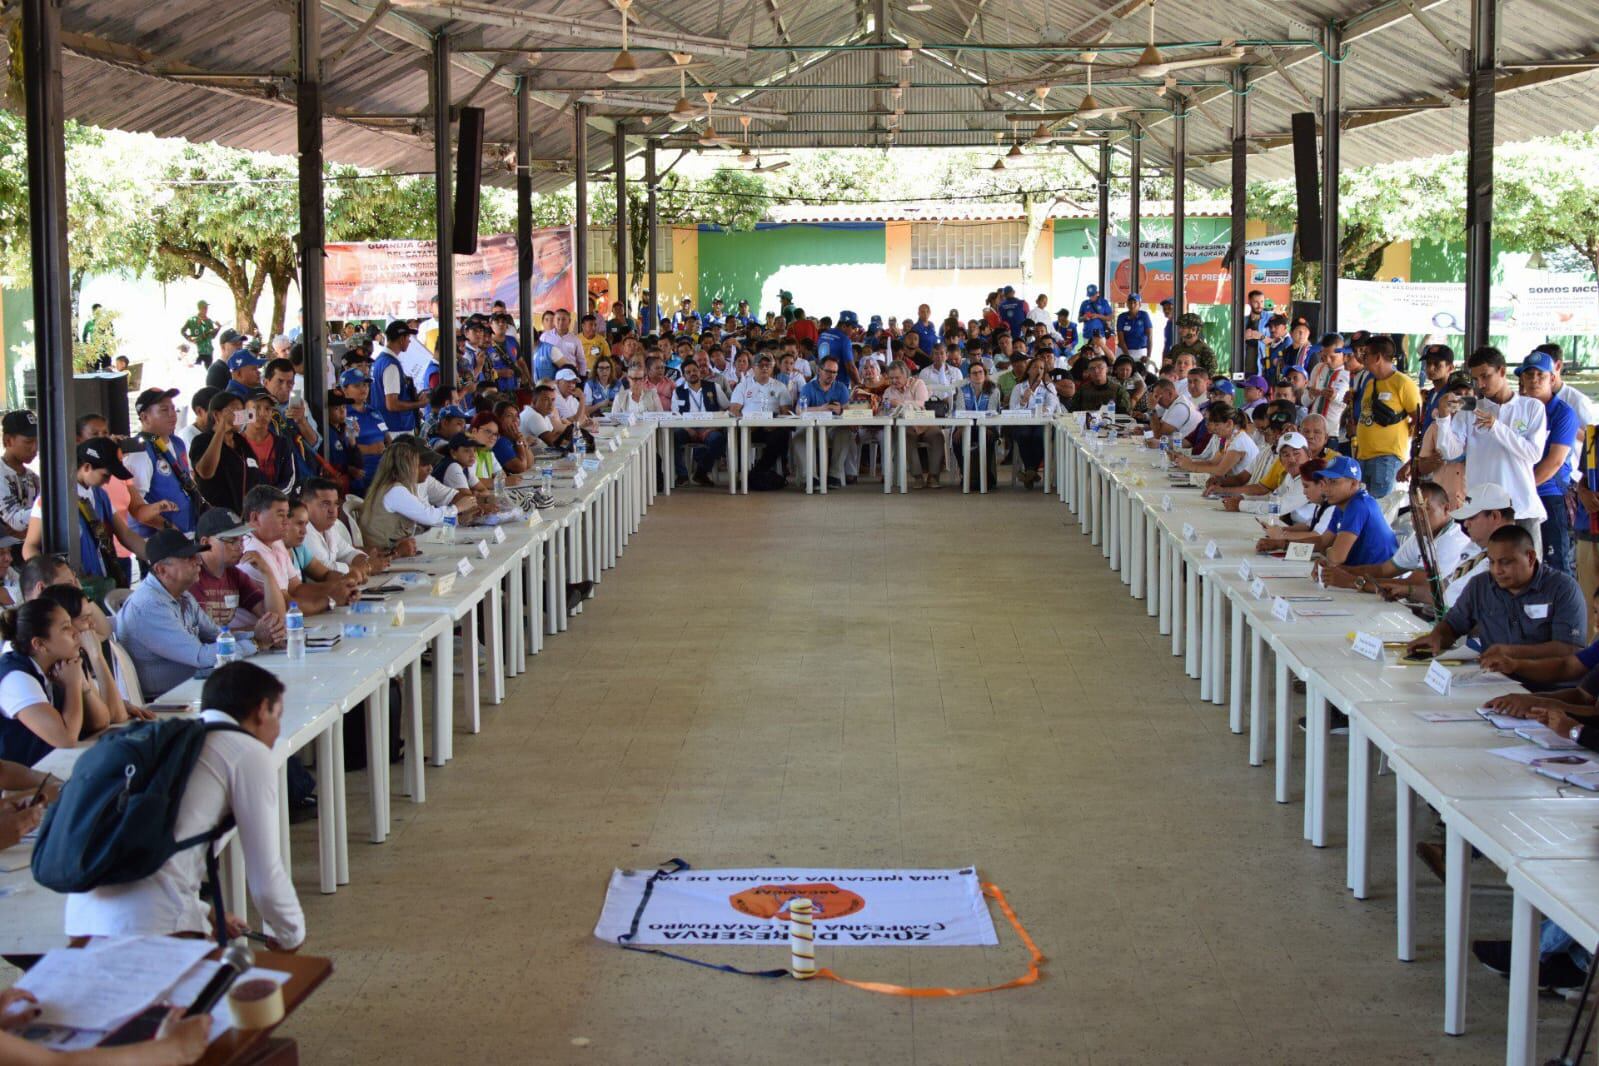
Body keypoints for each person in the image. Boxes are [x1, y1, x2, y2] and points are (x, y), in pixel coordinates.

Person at [64, 659, 306, 950]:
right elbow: (265, 874)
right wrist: (291, 935)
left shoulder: (171, 745)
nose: (278, 730)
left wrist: (206, 912)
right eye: (278, 716)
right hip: (155, 926)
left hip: (81, 921)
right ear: (261, 710)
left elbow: (153, 852)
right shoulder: (247, 752)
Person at [114, 529, 273, 699]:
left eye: (196, 555)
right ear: (161, 570)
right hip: (166, 701)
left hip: (192, 688)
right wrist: (255, 643)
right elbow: (201, 656)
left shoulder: (182, 595)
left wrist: (259, 634)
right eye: (187, 558)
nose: (198, 561)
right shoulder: (149, 606)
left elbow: (218, 635)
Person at [1405, 525, 1585, 671]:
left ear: (1530, 557)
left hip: (1547, 689)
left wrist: (1511, 653)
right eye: (1491, 562)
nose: (1497, 570)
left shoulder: (1563, 589)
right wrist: (1437, 636)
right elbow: (1453, 625)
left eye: (1505, 562)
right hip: (1493, 681)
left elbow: (1569, 649)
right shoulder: (1481, 585)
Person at [1430, 346, 1549, 554]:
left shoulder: (1532, 407)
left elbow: (1533, 453)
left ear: (1502, 371)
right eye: (1476, 379)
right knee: (1483, 572)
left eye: (1486, 376)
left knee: (1529, 574)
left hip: (1521, 507)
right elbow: (1449, 452)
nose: (1481, 384)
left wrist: (1497, 427)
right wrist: (1443, 417)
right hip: (1482, 510)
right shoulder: (1470, 407)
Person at [1318, 481, 1474, 597]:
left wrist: (1352, 581)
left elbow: (1415, 585)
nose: (1418, 517)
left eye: (1426, 509)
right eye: (1414, 511)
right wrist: (1335, 571)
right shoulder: (1423, 534)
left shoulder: (1451, 541)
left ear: (1446, 509)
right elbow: (1384, 569)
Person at [23, 438, 144, 589]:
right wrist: (54, 580)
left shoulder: (100, 495)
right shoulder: (53, 500)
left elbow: (125, 534)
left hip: (102, 581)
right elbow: (29, 546)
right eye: (105, 475)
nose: (108, 482)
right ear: (87, 467)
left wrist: (155, 556)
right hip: (73, 587)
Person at [236, 485, 353, 617]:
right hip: (254, 631)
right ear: (255, 518)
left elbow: (296, 588)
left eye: (287, 515)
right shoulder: (254, 551)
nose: (287, 522)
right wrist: (330, 601)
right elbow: (286, 605)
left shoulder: (276, 541)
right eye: (281, 515)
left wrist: (339, 587)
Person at [0, 599, 89, 765]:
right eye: (65, 627)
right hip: (25, 785)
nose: (75, 631)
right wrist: (73, 685)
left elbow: (101, 721)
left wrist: (95, 662)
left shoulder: (59, 665)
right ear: (39, 644)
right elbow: (66, 739)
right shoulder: (16, 678)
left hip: (52, 767)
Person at [1516, 351, 1579, 574]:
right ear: (1521, 379)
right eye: (1529, 374)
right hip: (1518, 498)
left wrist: (1520, 489)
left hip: (1549, 496)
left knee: (1556, 566)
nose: (1534, 379)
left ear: (1552, 378)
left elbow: (1554, 462)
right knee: (1521, 564)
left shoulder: (1563, 414)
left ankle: (1562, 609)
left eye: (1540, 375)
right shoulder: (1516, 409)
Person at [357, 438, 473, 551]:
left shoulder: (393, 487)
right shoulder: (395, 491)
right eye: (422, 464)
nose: (430, 469)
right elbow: (430, 517)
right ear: (405, 466)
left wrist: (458, 520)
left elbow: (429, 518)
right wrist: (457, 508)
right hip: (385, 554)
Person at [191, 507, 284, 642]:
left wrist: (267, 572)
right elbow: (202, 635)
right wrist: (255, 632)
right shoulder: (191, 577)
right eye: (232, 540)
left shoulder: (235, 575)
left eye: (242, 539)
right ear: (205, 543)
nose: (240, 547)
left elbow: (275, 620)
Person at [124, 388, 202, 538]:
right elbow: (136, 507)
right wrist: (169, 529)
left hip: (188, 532)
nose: (172, 414)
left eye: (173, 408)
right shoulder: (140, 451)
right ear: (145, 417)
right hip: (159, 540)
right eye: (164, 410)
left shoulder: (177, 442)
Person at [1350, 336, 1422, 498]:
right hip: (1363, 457)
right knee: (1364, 507)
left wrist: (1413, 458)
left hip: (1386, 458)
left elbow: (1419, 420)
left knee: (1379, 510)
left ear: (1377, 358)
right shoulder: (1370, 383)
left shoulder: (1403, 383)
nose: (1362, 358)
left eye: (1366, 354)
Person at [729, 353, 793, 482]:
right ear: (753, 367)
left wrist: (775, 424)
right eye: (761, 365)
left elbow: (786, 413)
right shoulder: (743, 385)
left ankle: (758, 471)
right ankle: (742, 472)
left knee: (783, 434)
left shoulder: (780, 386)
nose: (764, 368)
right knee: (736, 435)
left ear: (772, 367)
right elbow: (734, 410)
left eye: (768, 365)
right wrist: (746, 424)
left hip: (771, 428)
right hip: (749, 428)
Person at [302, 477, 379, 579]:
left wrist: (366, 562)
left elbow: (348, 552)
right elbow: (324, 567)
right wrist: (360, 569)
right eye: (325, 504)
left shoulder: (329, 528)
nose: (333, 510)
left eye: (336, 504)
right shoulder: (303, 531)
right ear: (304, 506)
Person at [883, 362, 943, 489]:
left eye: (897, 377)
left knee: (937, 435)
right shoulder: (888, 391)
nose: (894, 381)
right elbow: (884, 408)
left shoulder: (918, 384)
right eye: (891, 378)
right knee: (906, 437)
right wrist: (890, 405)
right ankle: (917, 477)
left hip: (924, 422)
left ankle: (934, 476)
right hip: (905, 427)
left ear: (906, 375)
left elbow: (921, 403)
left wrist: (899, 403)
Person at [672, 361, 728, 488]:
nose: (692, 374)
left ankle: (701, 472)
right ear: (683, 375)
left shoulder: (713, 387)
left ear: (699, 371)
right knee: (673, 437)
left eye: (694, 370)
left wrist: (713, 427)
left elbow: (726, 408)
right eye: (688, 372)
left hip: (709, 428)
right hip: (687, 428)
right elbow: (675, 415)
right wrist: (687, 428)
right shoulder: (678, 391)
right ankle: (682, 475)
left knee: (718, 440)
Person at [1007, 357, 1059, 488]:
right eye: (1036, 367)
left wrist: (1042, 409)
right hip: (1023, 423)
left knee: (1039, 437)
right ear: (1029, 370)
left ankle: (1029, 472)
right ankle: (1032, 472)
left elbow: (1050, 408)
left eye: (1042, 368)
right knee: (1023, 435)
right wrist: (1024, 400)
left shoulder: (1049, 387)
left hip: (1043, 424)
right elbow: (1013, 409)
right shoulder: (1019, 387)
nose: (1039, 370)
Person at [1171, 404, 1259, 480]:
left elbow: (1220, 471)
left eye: (1217, 425)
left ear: (1229, 423)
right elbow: (1212, 463)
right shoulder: (1224, 439)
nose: (1213, 429)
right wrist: (1187, 462)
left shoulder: (1239, 443)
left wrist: (1191, 466)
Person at [373, 320, 427, 435]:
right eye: (408, 337)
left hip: (388, 427)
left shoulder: (380, 361)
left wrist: (414, 397)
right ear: (401, 339)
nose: (409, 341)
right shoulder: (391, 365)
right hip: (396, 429)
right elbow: (392, 404)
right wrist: (419, 404)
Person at [0, 410, 40, 542]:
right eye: (29, 441)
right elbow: (14, 522)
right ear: (8, 440)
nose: (35, 448)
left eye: (37, 441)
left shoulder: (33, 477)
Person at [1115, 294, 1153, 366]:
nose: (1132, 304)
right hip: (1123, 351)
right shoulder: (1122, 317)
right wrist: (1128, 357)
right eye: (1130, 302)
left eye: (1135, 302)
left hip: (1140, 352)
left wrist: (1148, 356)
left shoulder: (1144, 316)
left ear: (1139, 304)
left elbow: (1150, 337)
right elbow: (1121, 340)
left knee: (1140, 374)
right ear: (1127, 304)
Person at [180, 299, 220, 367]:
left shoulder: (209, 321)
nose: (206, 309)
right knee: (195, 370)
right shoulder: (192, 320)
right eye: (204, 308)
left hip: (208, 351)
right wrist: (189, 338)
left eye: (207, 308)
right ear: (200, 308)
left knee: (208, 371)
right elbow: (182, 331)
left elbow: (212, 336)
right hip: (196, 352)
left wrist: (218, 329)